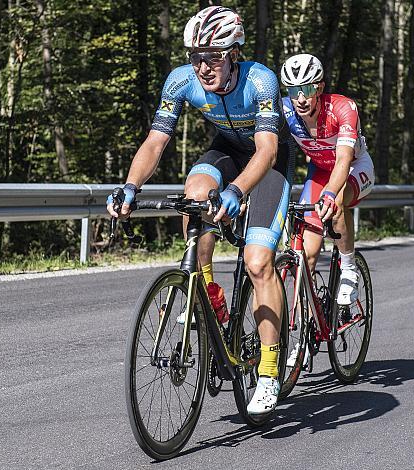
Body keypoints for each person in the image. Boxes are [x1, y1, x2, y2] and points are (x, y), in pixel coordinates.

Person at [107, 6, 294, 417]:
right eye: (195, 56)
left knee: (258, 262)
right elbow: (155, 142)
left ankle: (267, 370)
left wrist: (236, 191)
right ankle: (206, 289)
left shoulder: (260, 80)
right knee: (194, 194)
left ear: (233, 54)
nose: (202, 67)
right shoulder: (181, 81)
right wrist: (130, 185)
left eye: (212, 57)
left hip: (268, 161)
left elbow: (266, 150)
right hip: (226, 150)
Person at [279, 54, 375, 365]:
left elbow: (344, 160)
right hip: (320, 173)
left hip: (354, 169)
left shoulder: (342, 108)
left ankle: (348, 267)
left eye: (306, 89)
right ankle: (308, 328)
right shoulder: (284, 112)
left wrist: (331, 194)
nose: (300, 98)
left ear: (319, 87)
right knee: (305, 256)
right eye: (293, 91)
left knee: (336, 206)